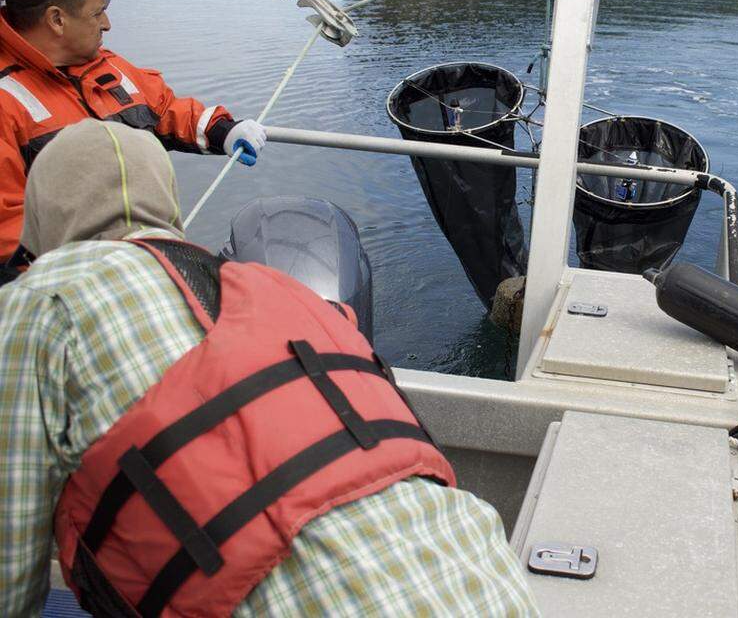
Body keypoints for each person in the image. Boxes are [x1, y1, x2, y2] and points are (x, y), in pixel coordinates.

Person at [0, 119, 538, 617]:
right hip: (487, 587)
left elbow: (11, 556)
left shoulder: (43, 300)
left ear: (43, 219)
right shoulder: (269, 289)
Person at [0, 0, 268, 263]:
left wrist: (224, 131)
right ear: (57, 20)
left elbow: (165, 109)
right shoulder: (7, 102)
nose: (107, 24)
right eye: (97, 13)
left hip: (138, 258)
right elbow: (8, 227)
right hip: (65, 281)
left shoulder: (107, 67)